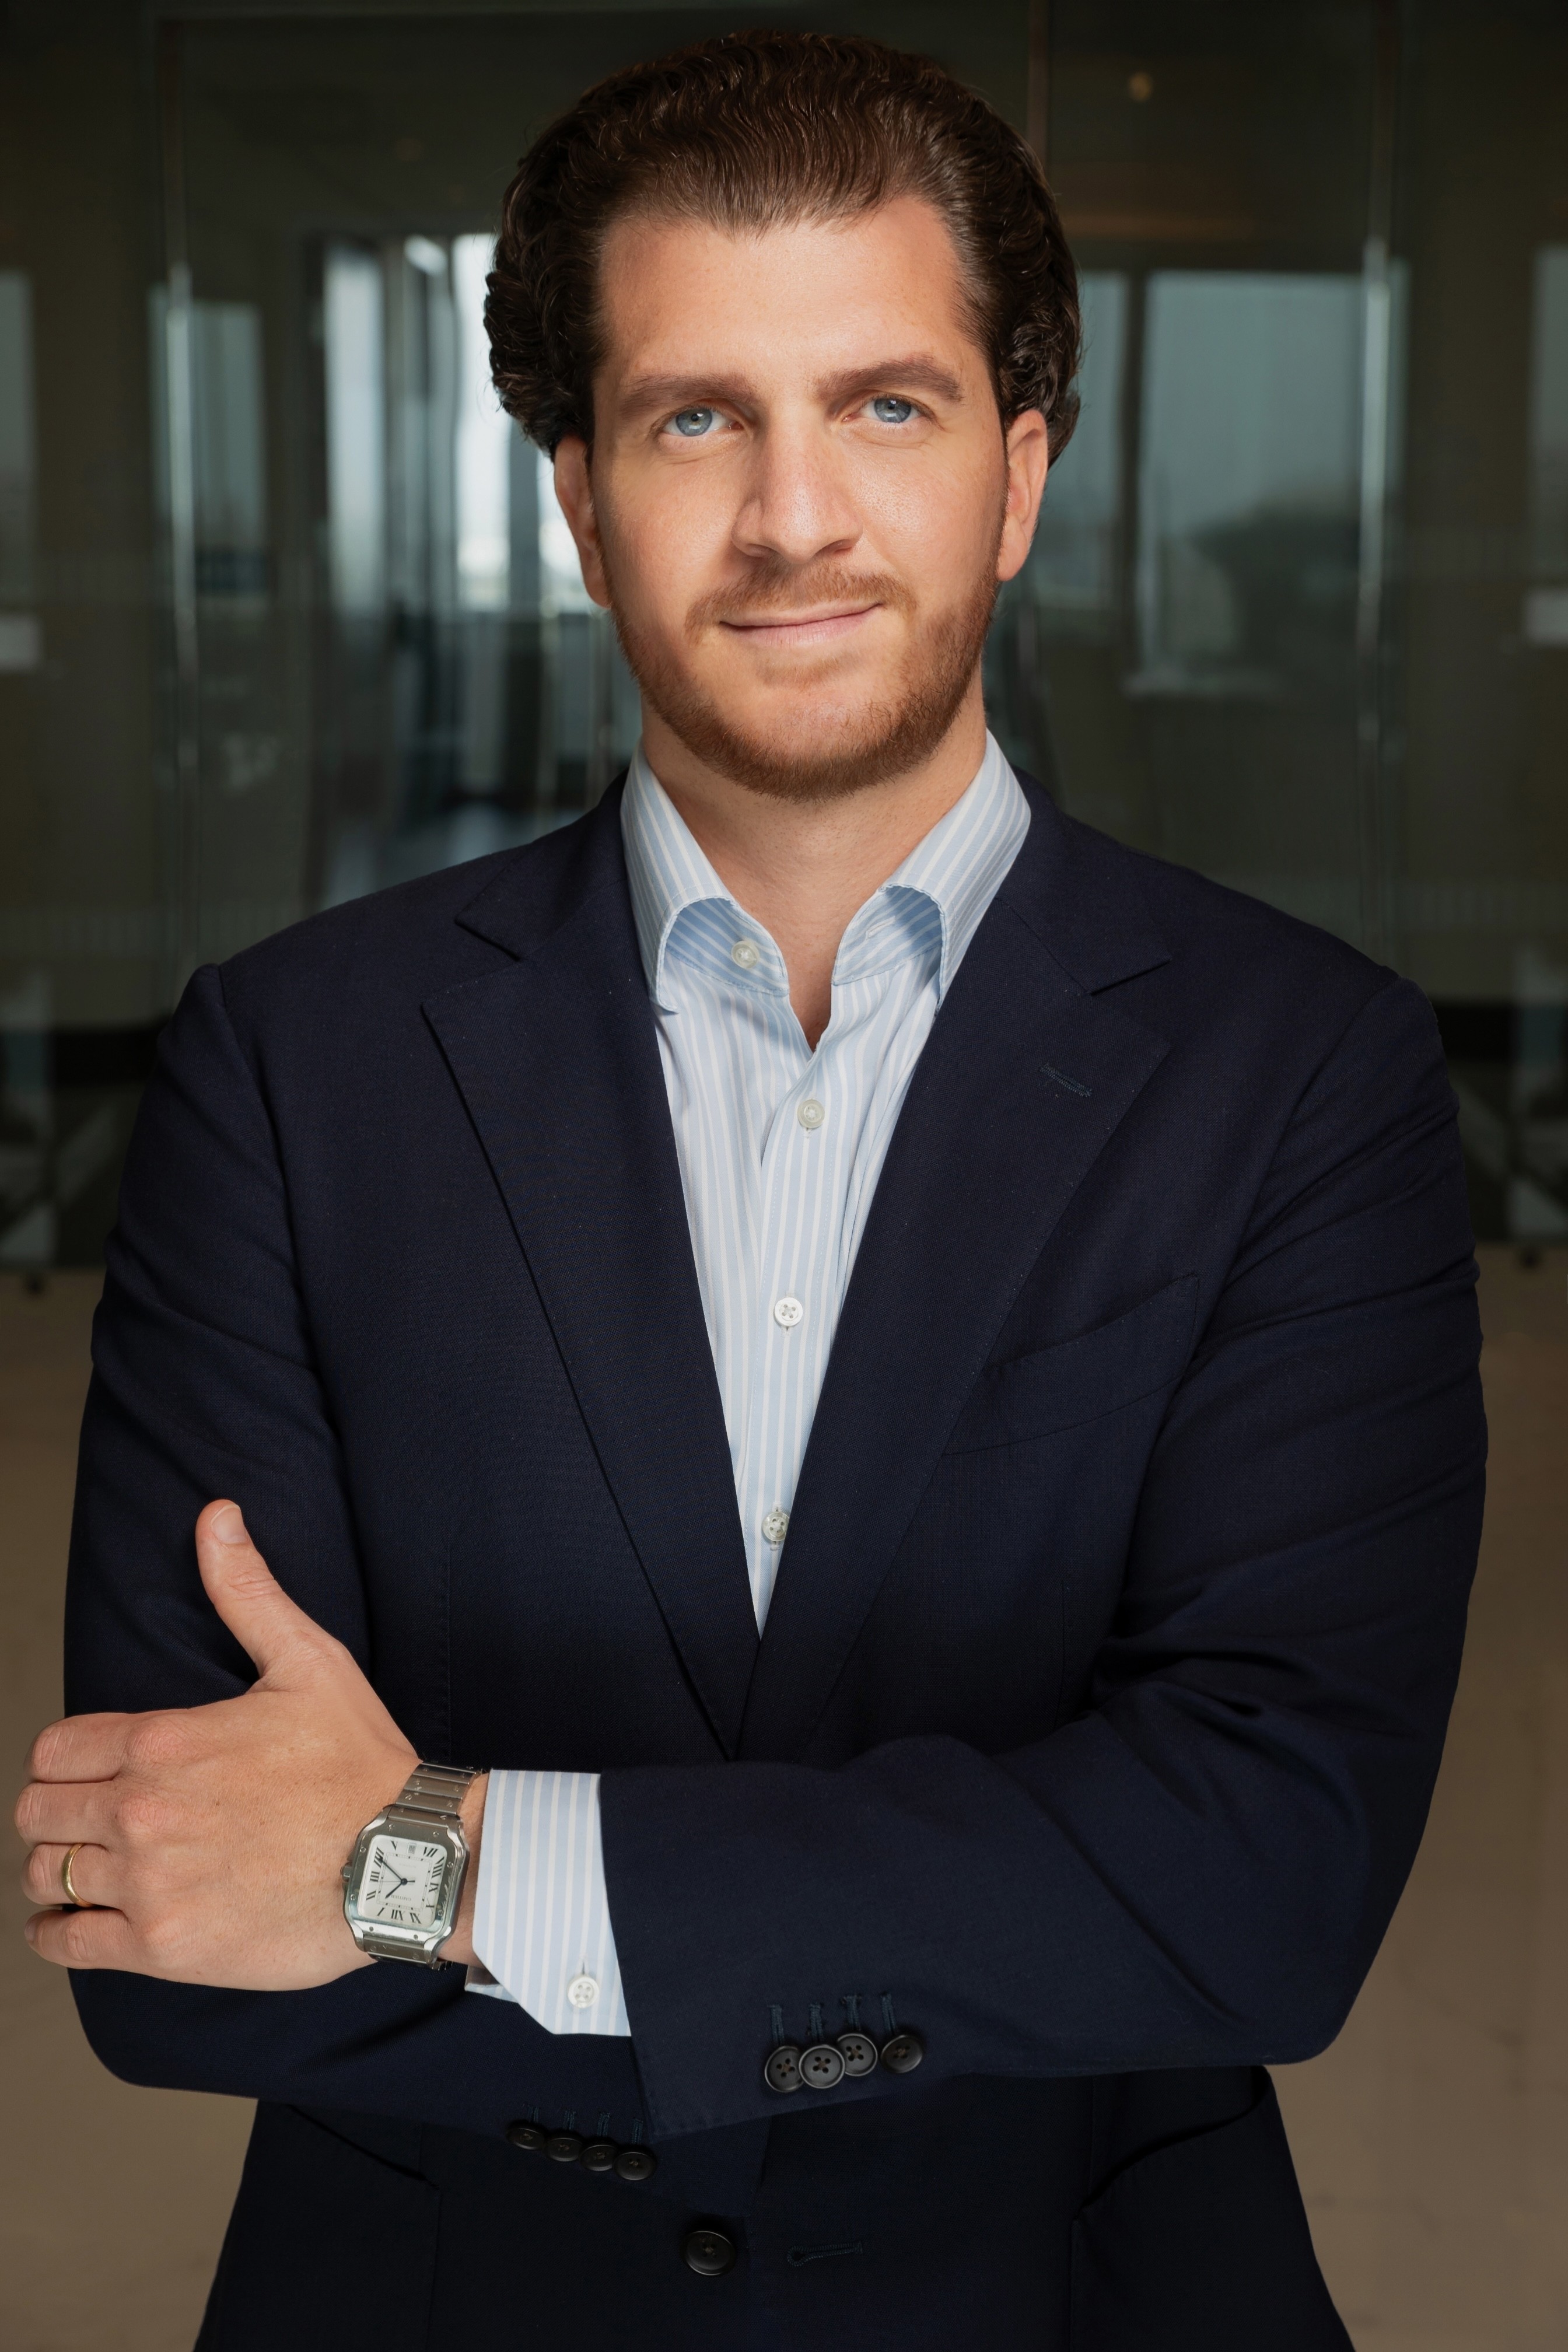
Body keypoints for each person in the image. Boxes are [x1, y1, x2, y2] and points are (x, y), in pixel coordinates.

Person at [15, 31, 1484, 2350]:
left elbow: (1261, 1887)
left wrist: (442, 1862)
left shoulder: (1301, 1072)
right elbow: (175, 1930)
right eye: (701, 418)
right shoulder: (293, 1066)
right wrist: (974, 1913)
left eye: (883, 408)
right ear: (584, 501)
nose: (794, 515)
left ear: (1017, 479)